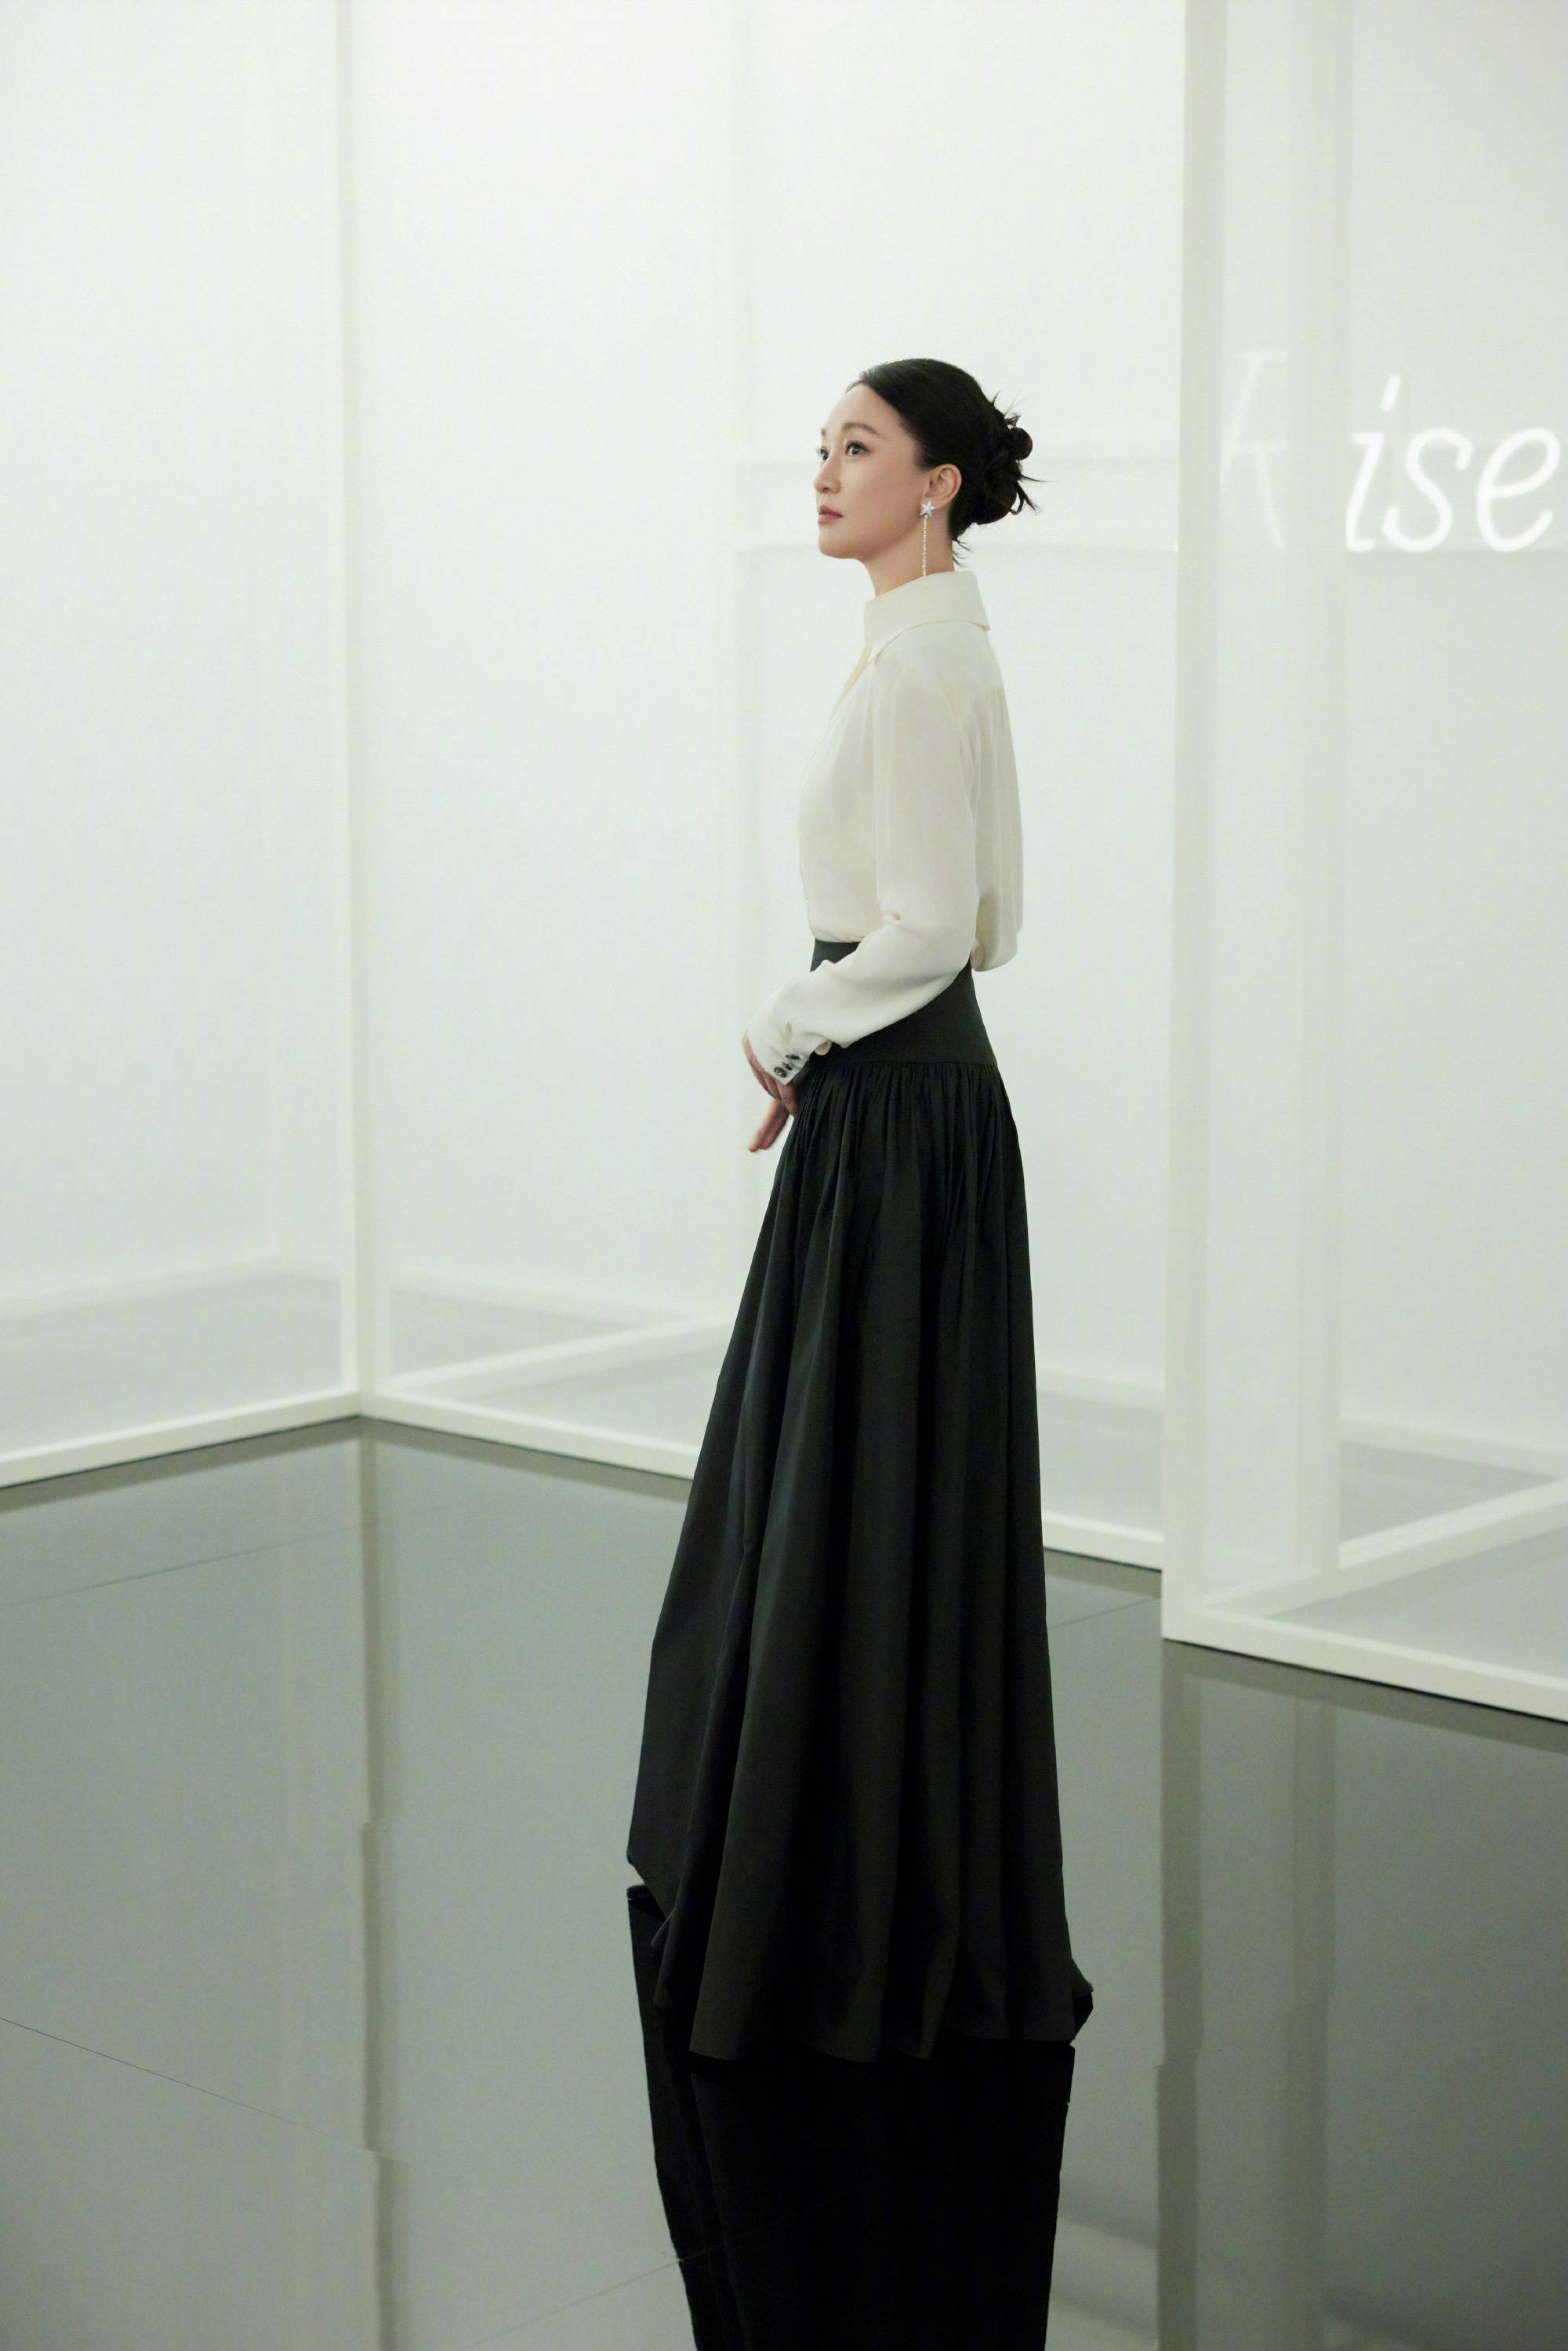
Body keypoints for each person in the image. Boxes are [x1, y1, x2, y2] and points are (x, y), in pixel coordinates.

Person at [626, 357, 1094, 2069]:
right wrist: (832, 1038)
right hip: (912, 1100)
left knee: (842, 1487)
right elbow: (991, 921)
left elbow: (931, 927)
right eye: (820, 446)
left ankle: (828, 1894)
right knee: (870, 1489)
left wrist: (787, 1025)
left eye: (858, 448)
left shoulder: (917, 666)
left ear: (939, 482)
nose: (822, 473)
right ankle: (872, 1872)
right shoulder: (939, 645)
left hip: (895, 1106)